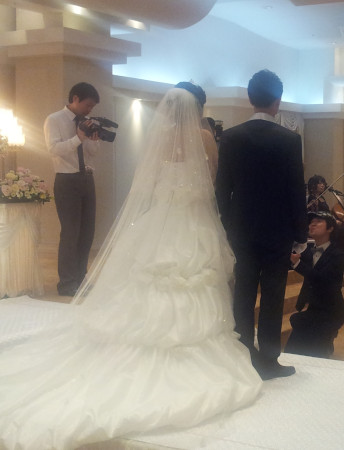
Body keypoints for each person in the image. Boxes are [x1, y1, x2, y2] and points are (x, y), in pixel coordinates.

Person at [0, 86, 262, 449]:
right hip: (192, 218)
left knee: (152, 275)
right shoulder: (204, 137)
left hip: (162, 215)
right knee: (193, 275)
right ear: (197, 108)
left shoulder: (161, 137)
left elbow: (147, 183)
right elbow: (213, 178)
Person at [216, 69, 308, 380]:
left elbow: (222, 189)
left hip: (241, 230)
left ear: (249, 98)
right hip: (278, 231)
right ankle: (268, 361)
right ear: (277, 101)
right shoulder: (290, 139)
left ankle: (242, 356)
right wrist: (301, 233)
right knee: (273, 295)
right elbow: (296, 189)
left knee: (243, 292)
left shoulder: (231, 137)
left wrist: (227, 226)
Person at [44, 82, 100, 296]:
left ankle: (80, 278)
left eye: (92, 107)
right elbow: (54, 149)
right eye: (88, 105)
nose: (89, 110)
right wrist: (78, 137)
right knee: (70, 233)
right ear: (75, 98)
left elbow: (92, 153)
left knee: (87, 232)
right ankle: (67, 283)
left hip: (87, 178)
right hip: (67, 180)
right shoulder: (54, 119)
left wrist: (92, 139)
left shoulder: (85, 121)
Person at [285, 211, 344, 358]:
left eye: (318, 221)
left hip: (331, 310)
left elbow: (323, 280)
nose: (312, 224)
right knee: (293, 350)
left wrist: (298, 264)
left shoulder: (338, 254)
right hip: (313, 307)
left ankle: (325, 344)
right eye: (311, 222)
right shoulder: (308, 251)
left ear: (330, 228)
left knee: (313, 353)